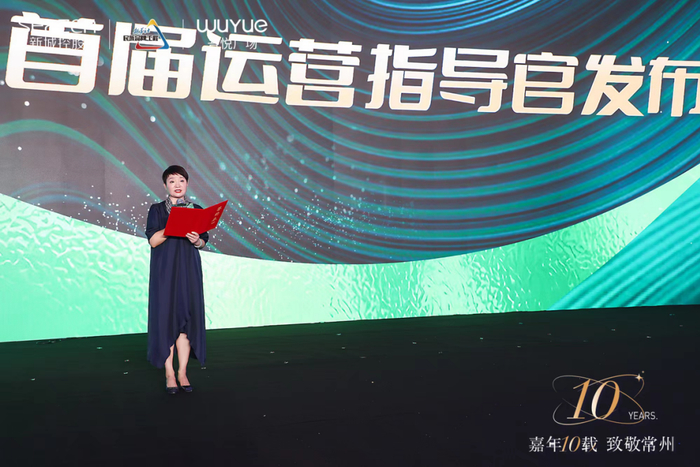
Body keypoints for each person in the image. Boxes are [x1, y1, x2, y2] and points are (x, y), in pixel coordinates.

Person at [145, 165, 208, 394]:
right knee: (166, 319)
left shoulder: (197, 210)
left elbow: (203, 241)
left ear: (187, 183)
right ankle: (169, 374)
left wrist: (196, 240)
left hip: (189, 270)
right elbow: (153, 241)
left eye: (181, 180)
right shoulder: (157, 210)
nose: (177, 184)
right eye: (172, 181)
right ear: (165, 185)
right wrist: (172, 227)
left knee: (186, 320)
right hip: (165, 271)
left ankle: (182, 372)